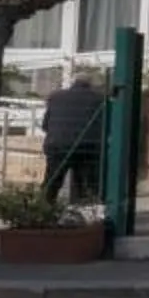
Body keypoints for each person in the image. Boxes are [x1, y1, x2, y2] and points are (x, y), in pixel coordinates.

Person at [38, 71, 108, 206]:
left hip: (57, 145)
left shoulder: (56, 97)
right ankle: (87, 207)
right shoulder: (99, 99)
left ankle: (45, 207)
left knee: (53, 179)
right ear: (90, 84)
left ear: (72, 82)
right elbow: (104, 124)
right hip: (87, 146)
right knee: (88, 181)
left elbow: (45, 125)